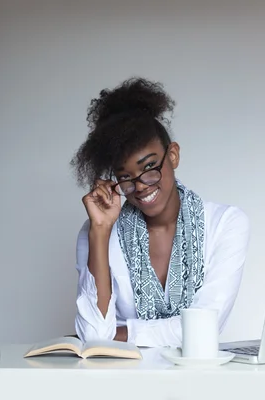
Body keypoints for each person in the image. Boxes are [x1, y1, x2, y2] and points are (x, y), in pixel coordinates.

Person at [70, 77, 250, 347]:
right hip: (121, 379)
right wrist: (101, 231)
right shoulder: (97, 231)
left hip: (198, 379)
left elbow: (206, 327)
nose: (140, 186)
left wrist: (121, 334)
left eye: (150, 167)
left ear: (173, 155)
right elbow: (94, 334)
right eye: (126, 177)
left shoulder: (225, 224)